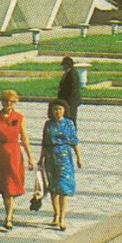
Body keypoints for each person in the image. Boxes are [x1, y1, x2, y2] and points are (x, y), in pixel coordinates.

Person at [0, 90, 34, 229]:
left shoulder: (19, 117)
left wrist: (30, 157)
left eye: (12, 101)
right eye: (6, 101)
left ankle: (8, 216)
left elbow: (24, 138)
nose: (8, 104)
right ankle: (9, 214)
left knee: (10, 185)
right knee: (3, 185)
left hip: (13, 153)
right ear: (1, 101)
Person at [39, 99, 84, 231]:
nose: (57, 112)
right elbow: (44, 142)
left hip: (64, 157)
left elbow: (74, 141)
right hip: (50, 156)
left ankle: (62, 217)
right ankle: (56, 213)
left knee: (64, 187)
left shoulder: (69, 124)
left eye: (60, 109)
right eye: (55, 109)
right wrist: (40, 158)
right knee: (53, 187)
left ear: (64, 110)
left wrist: (79, 158)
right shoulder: (48, 124)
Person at [56, 56, 83, 125]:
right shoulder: (69, 72)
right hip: (66, 101)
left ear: (68, 65)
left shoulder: (72, 73)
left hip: (70, 102)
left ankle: (72, 133)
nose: (63, 67)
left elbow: (73, 89)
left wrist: (68, 103)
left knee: (71, 119)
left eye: (64, 65)